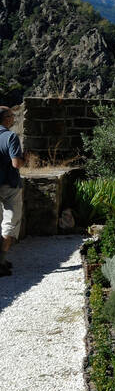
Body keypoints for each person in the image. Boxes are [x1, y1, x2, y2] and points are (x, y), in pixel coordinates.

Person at [0, 106, 24, 276]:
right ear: (5, 118)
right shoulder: (11, 137)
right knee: (10, 222)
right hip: (9, 185)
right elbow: (16, 164)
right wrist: (25, 158)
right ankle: (0, 262)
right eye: (12, 115)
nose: (14, 118)